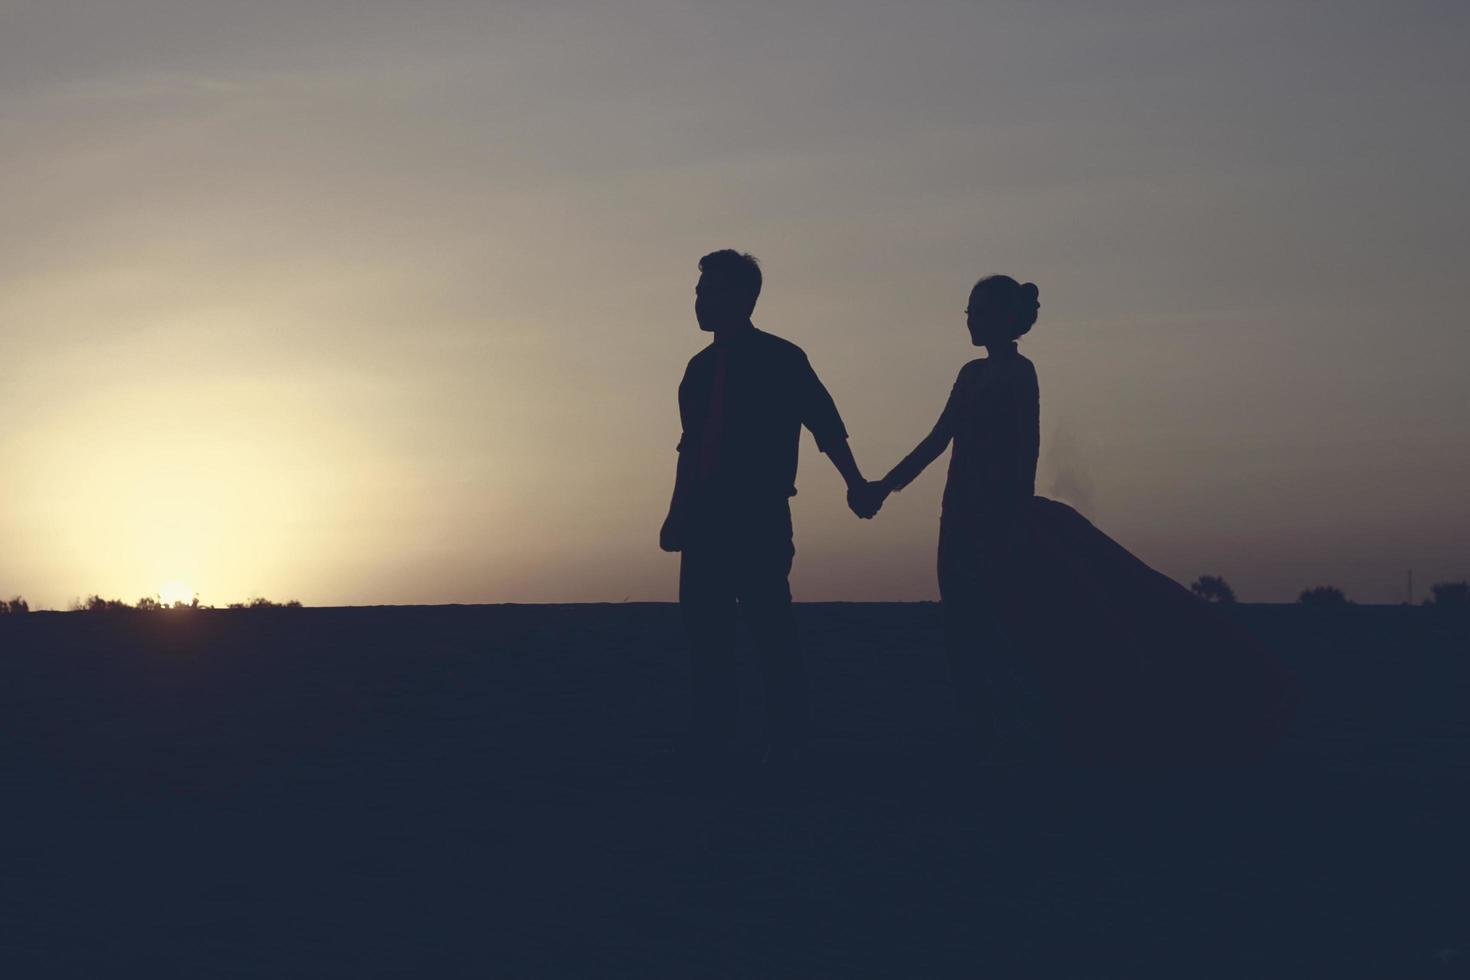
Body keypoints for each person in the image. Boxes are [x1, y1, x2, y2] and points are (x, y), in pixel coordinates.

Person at [850, 275, 1298, 764]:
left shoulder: (1020, 375)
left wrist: (1010, 517)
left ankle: (1037, 740)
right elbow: (937, 441)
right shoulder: (970, 375)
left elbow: (1025, 451)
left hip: (999, 525)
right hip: (958, 522)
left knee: (1023, 636)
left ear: (1003, 317)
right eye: (968, 311)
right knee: (964, 636)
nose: (970, 320)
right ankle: (986, 741)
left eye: (977, 311)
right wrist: (884, 487)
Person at [660, 250, 872, 771]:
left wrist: (855, 482)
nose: (699, 301)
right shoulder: (699, 370)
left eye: (709, 291)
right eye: (698, 291)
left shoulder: (782, 358)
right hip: (707, 520)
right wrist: (677, 513)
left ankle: (787, 742)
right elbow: (691, 445)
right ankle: (714, 740)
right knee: (708, 637)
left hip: (757, 515)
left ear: (742, 297)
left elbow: (825, 424)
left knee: (769, 631)